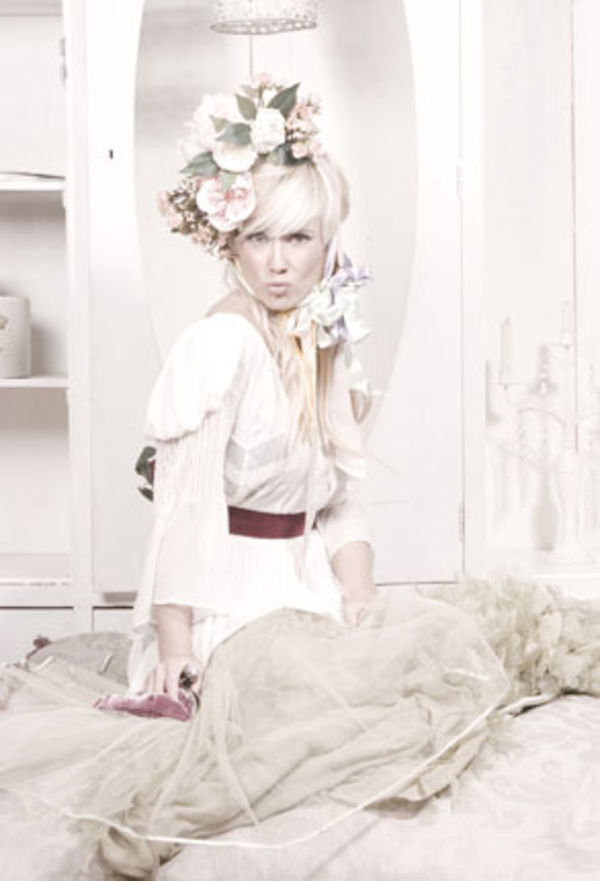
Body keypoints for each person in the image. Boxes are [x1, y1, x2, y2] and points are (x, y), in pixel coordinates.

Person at [0, 76, 599, 881]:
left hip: (304, 591)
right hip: (226, 610)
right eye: (258, 239)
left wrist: (357, 590)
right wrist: (176, 652)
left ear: (328, 242)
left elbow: (340, 497)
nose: (279, 263)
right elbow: (181, 513)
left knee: (428, 668)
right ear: (229, 242)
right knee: (305, 724)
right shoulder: (220, 345)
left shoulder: (322, 335)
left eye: (299, 239)